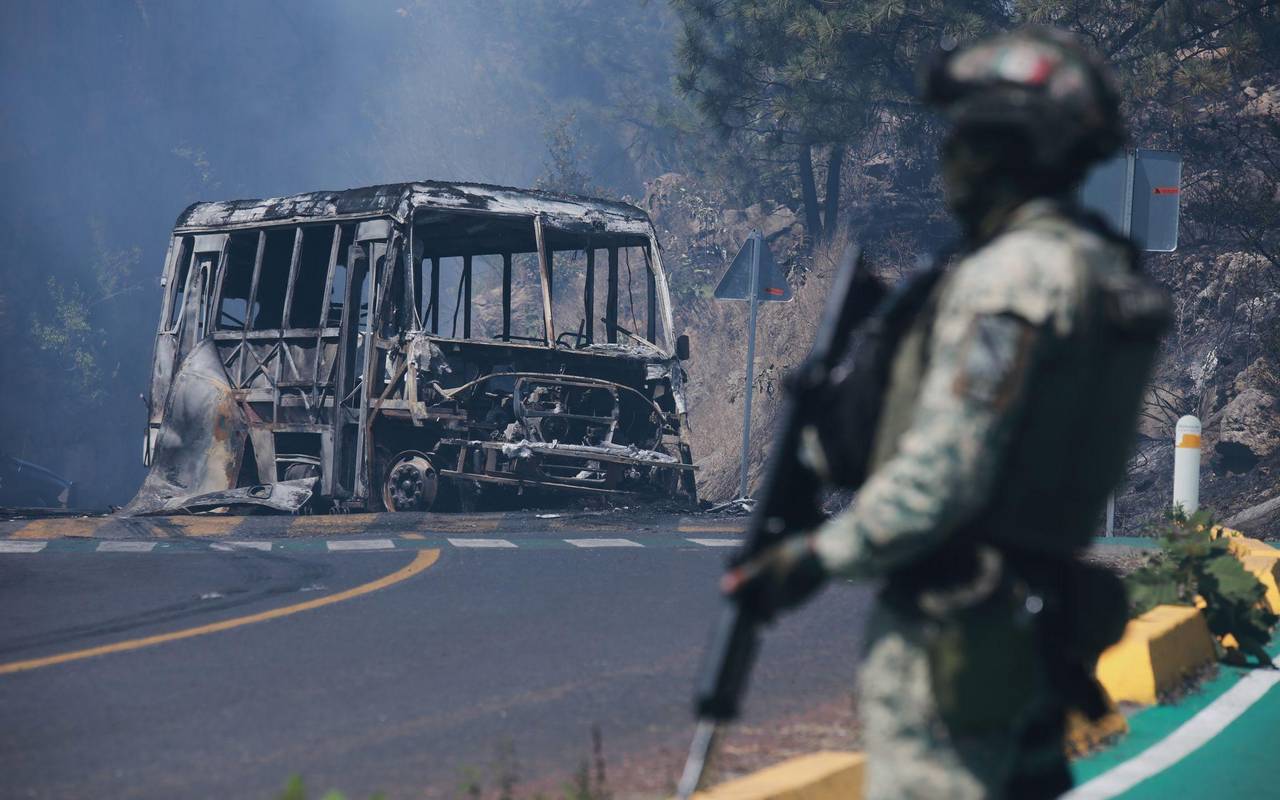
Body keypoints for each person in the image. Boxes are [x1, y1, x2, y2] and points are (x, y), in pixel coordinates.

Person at [724, 27, 1170, 799]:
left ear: (1006, 154)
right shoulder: (1101, 271)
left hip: (957, 631)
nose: (950, 161)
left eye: (966, 140)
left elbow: (948, 470)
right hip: (1037, 621)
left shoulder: (1011, 284)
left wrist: (815, 556)